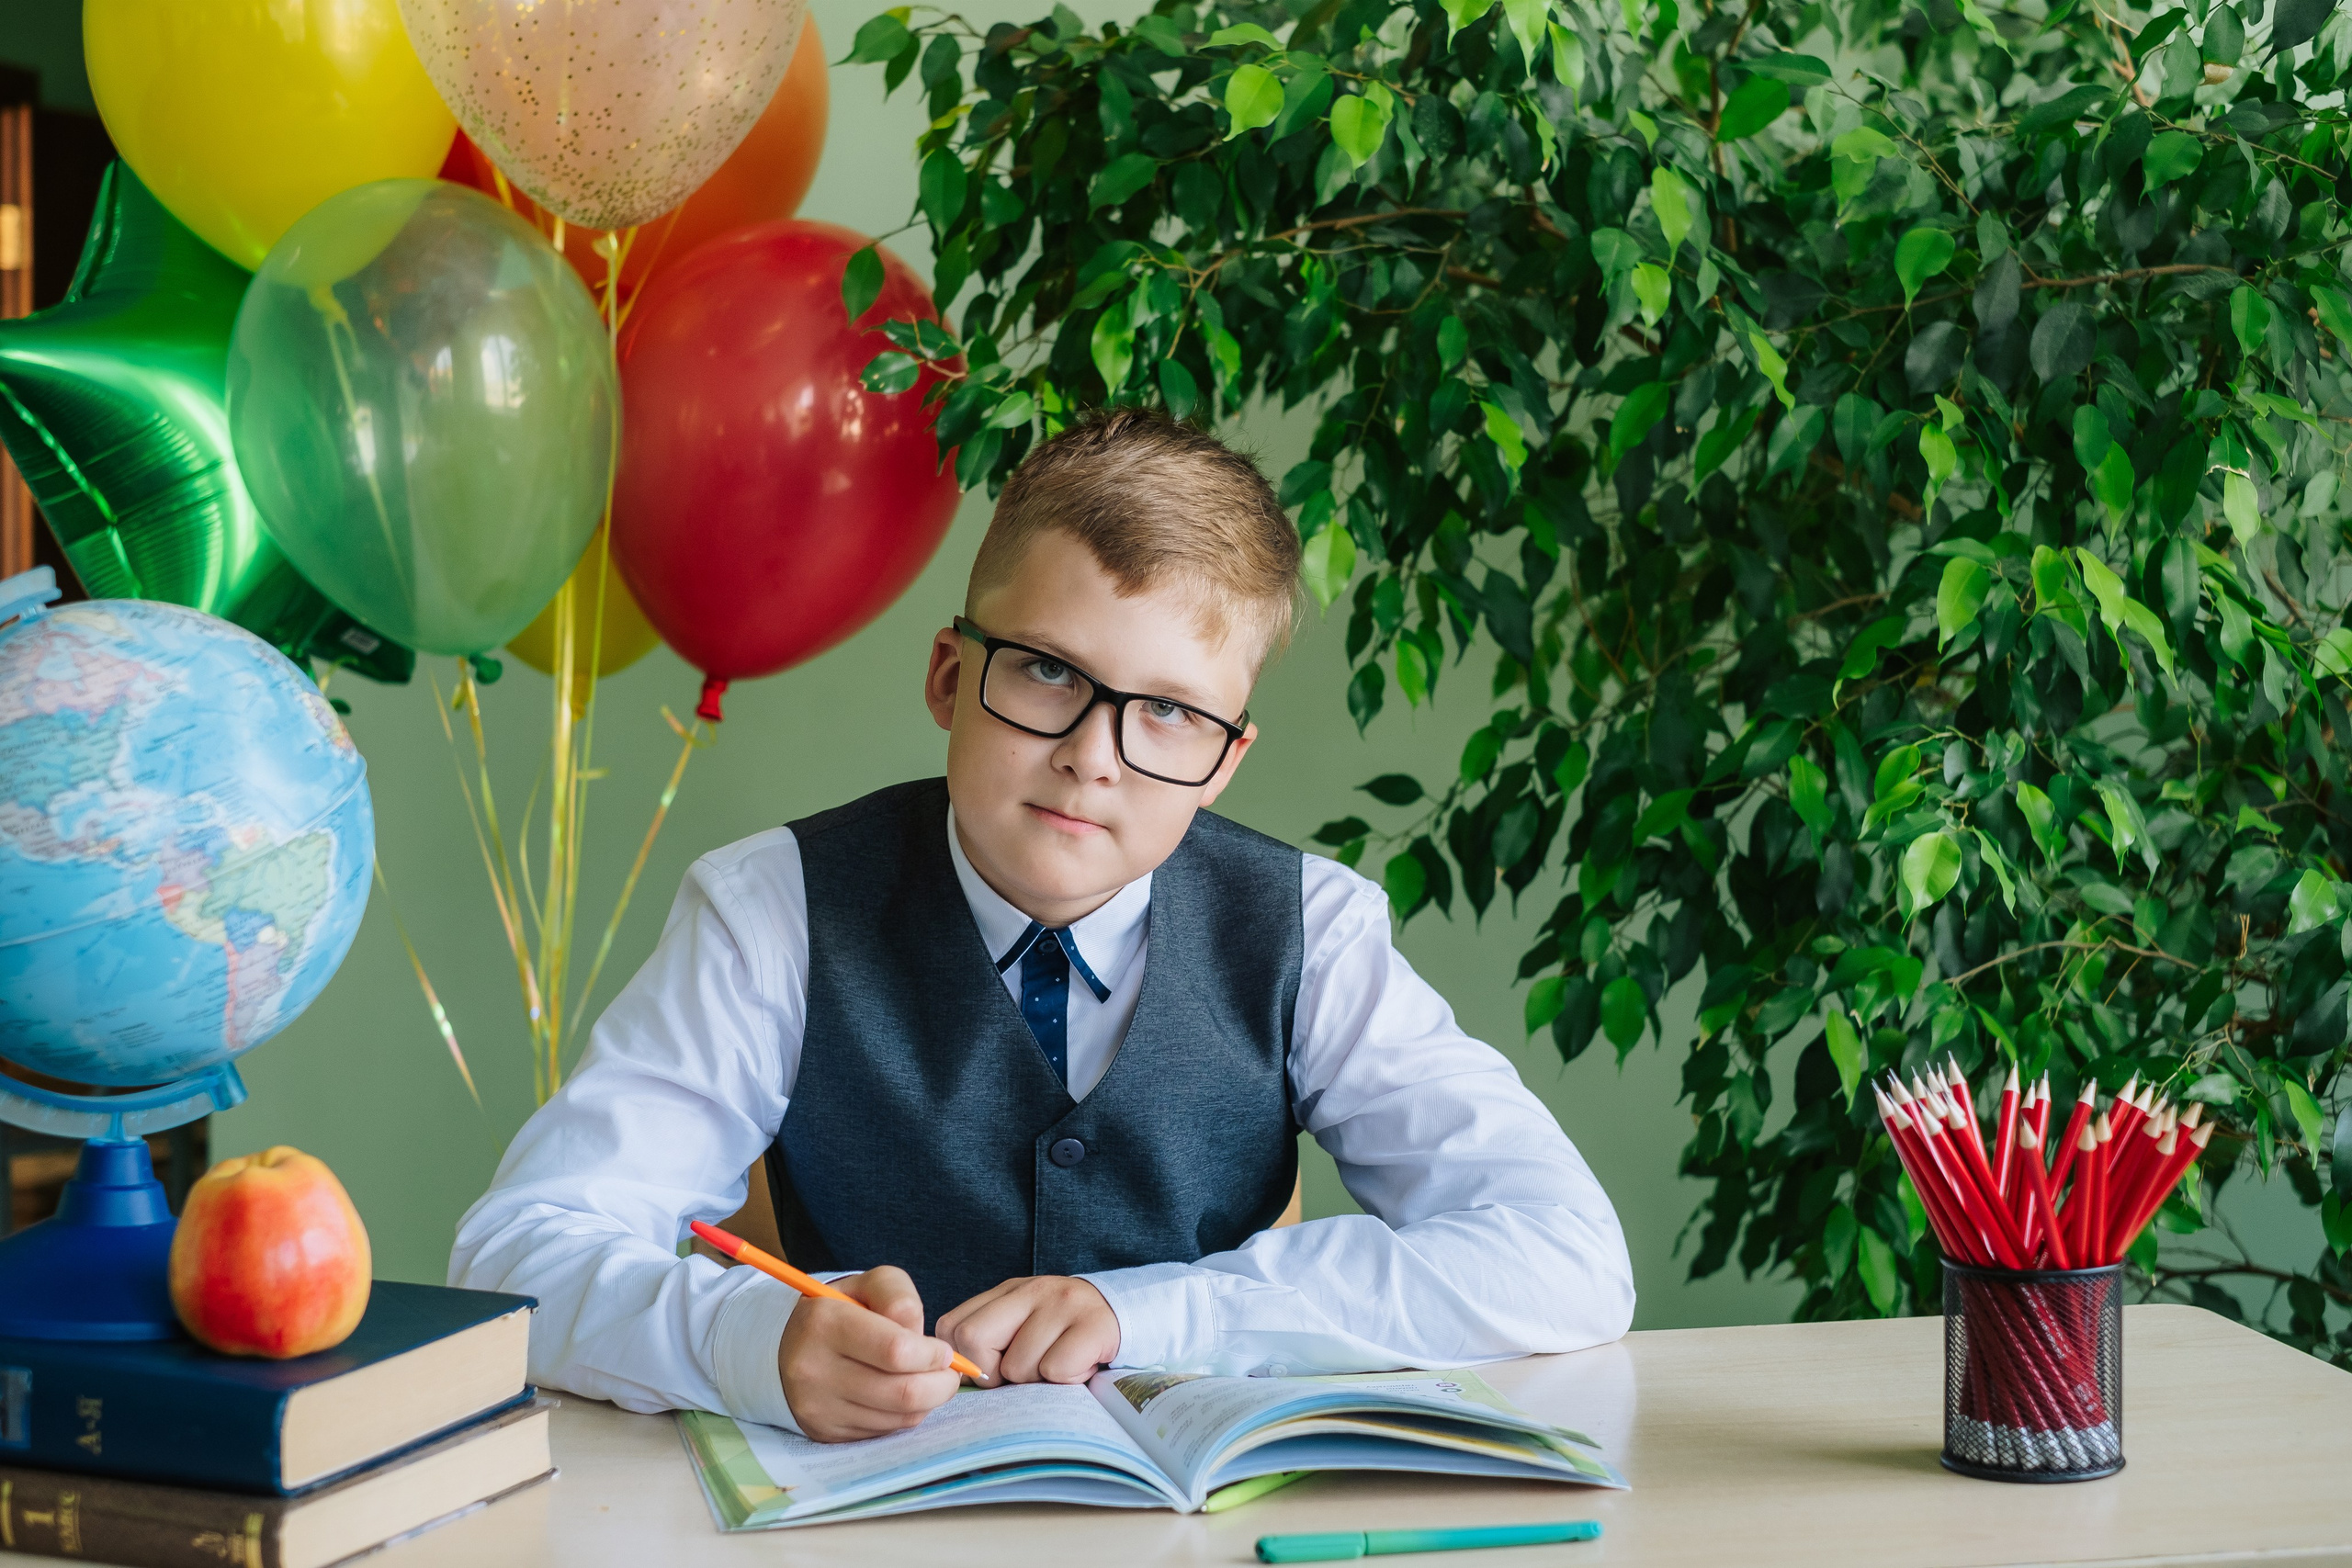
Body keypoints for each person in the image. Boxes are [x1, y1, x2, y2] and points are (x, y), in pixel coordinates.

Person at [450, 409, 1634, 1443]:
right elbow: (515, 1256)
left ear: (1225, 762)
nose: (1091, 759)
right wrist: (750, 1343)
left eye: (1167, 712)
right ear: (949, 678)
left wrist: (1155, 1311)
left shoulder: (1313, 931)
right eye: (1050, 675)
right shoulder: (771, 911)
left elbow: (1566, 1255)